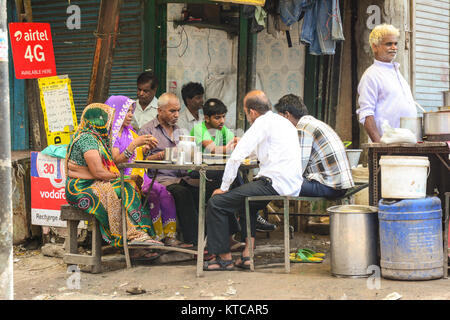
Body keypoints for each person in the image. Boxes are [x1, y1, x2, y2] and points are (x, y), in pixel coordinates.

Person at [204, 90, 303, 271]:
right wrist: (243, 143)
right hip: (291, 185)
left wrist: (224, 187)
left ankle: (223, 259)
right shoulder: (283, 123)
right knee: (247, 204)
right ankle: (246, 257)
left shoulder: (261, 123)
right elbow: (262, 152)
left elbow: (235, 158)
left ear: (251, 112)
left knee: (217, 202)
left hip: (273, 183)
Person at [65, 103, 163, 261]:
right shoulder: (87, 140)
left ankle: (138, 238)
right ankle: (133, 235)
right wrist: (123, 177)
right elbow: (99, 172)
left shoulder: (99, 138)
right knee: (123, 189)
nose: (111, 123)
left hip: (94, 182)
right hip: (80, 188)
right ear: (98, 121)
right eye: (108, 119)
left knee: (127, 187)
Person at [105, 95, 192, 248]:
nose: (131, 115)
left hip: (141, 176)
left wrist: (144, 149)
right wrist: (134, 145)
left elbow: (137, 157)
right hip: (124, 177)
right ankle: (156, 237)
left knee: (166, 194)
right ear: (116, 112)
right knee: (152, 195)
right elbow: (116, 160)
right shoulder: (112, 136)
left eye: (132, 111)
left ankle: (170, 237)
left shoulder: (129, 132)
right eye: (127, 112)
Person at [274, 94, 354, 198]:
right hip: (339, 185)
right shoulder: (312, 123)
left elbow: (297, 168)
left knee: (277, 183)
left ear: (286, 115)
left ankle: (254, 213)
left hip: (330, 187)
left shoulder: (302, 129)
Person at [356, 23, 417, 142]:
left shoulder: (397, 72)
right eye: (389, 44)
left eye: (395, 43)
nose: (394, 47)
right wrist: (379, 146)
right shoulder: (371, 75)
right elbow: (366, 114)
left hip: (406, 142)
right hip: (387, 145)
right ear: (375, 47)